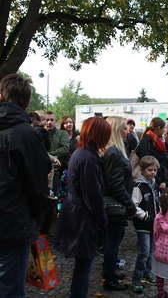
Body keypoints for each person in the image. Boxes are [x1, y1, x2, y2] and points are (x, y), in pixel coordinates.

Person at [0, 73, 51, 298]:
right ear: (27, 101)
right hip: (14, 224)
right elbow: (38, 185)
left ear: (2, 95)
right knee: (11, 287)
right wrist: (39, 219)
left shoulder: (24, 133)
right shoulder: (25, 134)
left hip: (12, 221)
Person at [56, 117, 110, 298]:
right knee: (83, 267)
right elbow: (92, 196)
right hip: (82, 219)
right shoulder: (89, 158)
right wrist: (103, 221)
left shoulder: (81, 153)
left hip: (75, 214)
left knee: (82, 266)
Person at [103, 116, 137, 291]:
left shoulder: (116, 150)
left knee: (115, 241)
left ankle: (111, 272)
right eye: (124, 128)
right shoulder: (113, 152)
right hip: (115, 206)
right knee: (112, 242)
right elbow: (115, 185)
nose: (128, 130)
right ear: (116, 130)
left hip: (117, 204)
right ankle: (109, 279)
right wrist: (129, 204)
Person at [131, 156, 160, 293]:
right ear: (142, 170)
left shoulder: (153, 184)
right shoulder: (139, 186)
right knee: (144, 252)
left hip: (154, 224)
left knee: (151, 251)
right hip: (143, 225)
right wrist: (145, 216)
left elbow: (156, 202)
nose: (153, 173)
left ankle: (147, 273)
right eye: (150, 170)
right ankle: (137, 279)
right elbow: (134, 205)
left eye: (155, 170)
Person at [136, 117, 168, 189]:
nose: (164, 131)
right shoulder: (147, 140)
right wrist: (158, 181)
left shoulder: (157, 140)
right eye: (163, 128)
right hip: (153, 178)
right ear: (158, 128)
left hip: (158, 177)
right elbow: (148, 162)